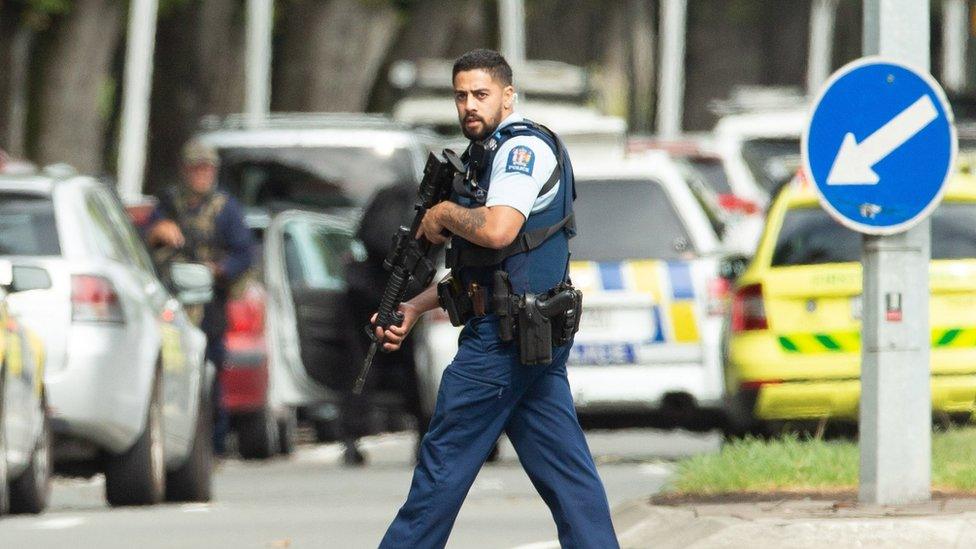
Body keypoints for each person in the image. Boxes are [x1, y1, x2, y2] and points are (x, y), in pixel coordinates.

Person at [373, 49, 618, 548]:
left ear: (508, 96)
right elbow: (486, 275)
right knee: (569, 479)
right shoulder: (487, 154)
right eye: (461, 95)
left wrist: (443, 214)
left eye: (481, 94)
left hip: (502, 346)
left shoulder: (519, 151)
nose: (469, 105)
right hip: (527, 335)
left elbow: (500, 231)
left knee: (441, 470)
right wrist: (417, 305)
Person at [145, 140, 253, 456]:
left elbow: (244, 253)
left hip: (208, 305)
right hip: (172, 301)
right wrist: (157, 232)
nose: (201, 175)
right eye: (196, 168)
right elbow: (145, 239)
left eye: (207, 169)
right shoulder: (168, 204)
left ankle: (212, 444)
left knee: (210, 372)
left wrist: (218, 270)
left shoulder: (226, 208)